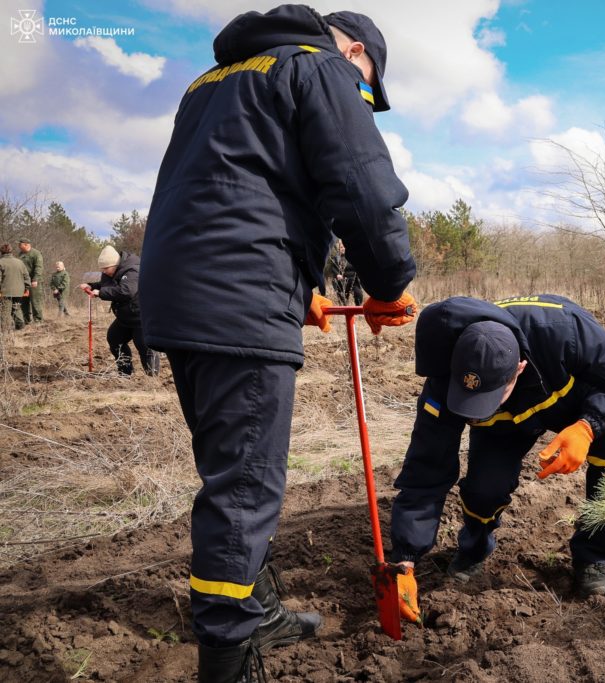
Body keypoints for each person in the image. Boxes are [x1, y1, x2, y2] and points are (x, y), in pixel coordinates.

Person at [138, 6, 417, 681]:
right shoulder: (317, 67)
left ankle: (255, 606)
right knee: (243, 493)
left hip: (180, 293)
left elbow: (233, 187)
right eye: (367, 88)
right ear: (354, 51)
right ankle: (229, 658)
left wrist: (305, 285)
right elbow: (361, 185)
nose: (364, 104)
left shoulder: (214, 79)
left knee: (230, 471)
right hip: (241, 300)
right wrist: (387, 284)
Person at [389, 294, 605, 624]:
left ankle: (593, 558)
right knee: (484, 490)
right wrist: (405, 558)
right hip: (503, 426)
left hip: (568, 401)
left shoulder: (563, 330)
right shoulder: (445, 376)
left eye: (488, 396)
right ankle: (472, 551)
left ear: (518, 369)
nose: (476, 403)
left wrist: (589, 427)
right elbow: (426, 467)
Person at [80, 246, 160, 376]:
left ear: (115, 264)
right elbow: (108, 285)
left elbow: (126, 291)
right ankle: (125, 373)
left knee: (144, 346)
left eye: (106, 268)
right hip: (125, 316)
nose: (104, 272)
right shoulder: (111, 272)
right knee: (114, 339)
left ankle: (152, 379)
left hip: (141, 316)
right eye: (102, 269)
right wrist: (92, 286)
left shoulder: (133, 270)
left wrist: (100, 293)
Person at [0, 243, 31, 332]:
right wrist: (27, 287)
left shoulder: (1, 262)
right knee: (16, 308)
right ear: (11, 251)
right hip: (19, 291)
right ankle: (20, 327)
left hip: (5, 291)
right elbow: (26, 276)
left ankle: (5, 331)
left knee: (5, 311)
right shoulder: (20, 262)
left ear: (1, 252)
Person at [324, 240, 364, 305]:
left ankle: (358, 310)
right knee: (343, 301)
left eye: (343, 247)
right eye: (341, 248)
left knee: (358, 294)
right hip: (342, 282)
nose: (342, 249)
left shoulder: (352, 257)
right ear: (339, 249)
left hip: (353, 281)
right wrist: (337, 274)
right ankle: (344, 311)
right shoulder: (336, 259)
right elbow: (334, 269)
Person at [17, 238, 44, 324]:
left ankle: (38, 321)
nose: (18, 246)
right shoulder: (20, 254)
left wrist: (35, 279)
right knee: (24, 302)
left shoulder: (36, 254)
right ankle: (26, 320)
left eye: (20, 244)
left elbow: (39, 267)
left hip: (34, 282)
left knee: (35, 301)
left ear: (26, 244)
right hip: (23, 282)